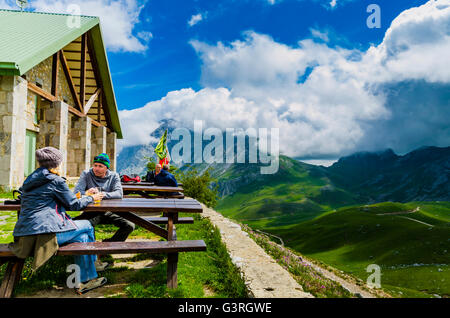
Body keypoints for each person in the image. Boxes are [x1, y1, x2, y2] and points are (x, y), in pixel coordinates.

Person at [10, 147, 107, 294]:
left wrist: (82, 196)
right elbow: (74, 205)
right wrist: (91, 198)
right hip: (43, 236)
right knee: (87, 225)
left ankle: (86, 279)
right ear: (56, 163)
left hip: (24, 236)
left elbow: (49, 199)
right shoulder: (55, 181)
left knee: (81, 238)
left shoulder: (31, 179)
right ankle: (93, 263)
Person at [73, 153, 135, 243]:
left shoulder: (114, 176)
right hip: (91, 211)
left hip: (109, 211)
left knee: (129, 225)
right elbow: (76, 193)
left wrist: (101, 195)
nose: (96, 168)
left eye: (100, 166)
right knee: (85, 224)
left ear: (106, 168)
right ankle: (91, 248)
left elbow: (119, 194)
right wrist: (87, 193)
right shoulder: (86, 174)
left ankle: (108, 245)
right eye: (95, 165)